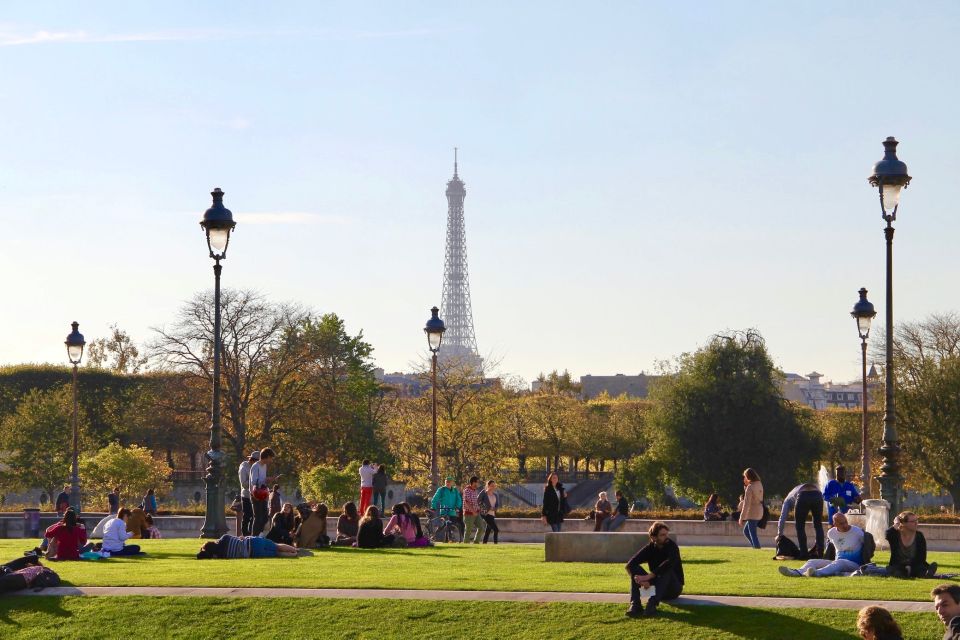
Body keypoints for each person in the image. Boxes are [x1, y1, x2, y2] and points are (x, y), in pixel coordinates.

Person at [625, 521, 684, 618]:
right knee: (634, 569)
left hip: (672, 589)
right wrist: (641, 581)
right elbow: (629, 565)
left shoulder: (672, 546)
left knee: (667, 569)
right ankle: (635, 605)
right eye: (662, 535)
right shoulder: (650, 548)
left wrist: (648, 577)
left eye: (666, 534)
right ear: (653, 537)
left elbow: (668, 563)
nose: (666, 537)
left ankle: (651, 605)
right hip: (655, 587)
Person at [778, 513, 866, 577]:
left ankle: (817, 573)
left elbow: (867, 546)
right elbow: (830, 547)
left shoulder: (857, 532)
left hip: (854, 564)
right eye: (841, 523)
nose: (845, 525)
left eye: (845, 522)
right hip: (837, 562)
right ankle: (797, 572)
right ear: (835, 524)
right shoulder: (831, 533)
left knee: (840, 562)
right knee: (812, 561)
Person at [778, 482, 825, 559]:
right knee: (818, 525)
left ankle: (804, 553)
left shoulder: (787, 500)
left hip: (803, 495)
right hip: (817, 494)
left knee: (800, 526)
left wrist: (779, 534)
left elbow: (782, 517)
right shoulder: (795, 490)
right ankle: (820, 552)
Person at [885, 511, 937, 578]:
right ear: (903, 523)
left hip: (915, 565)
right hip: (898, 565)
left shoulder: (919, 536)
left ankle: (925, 573)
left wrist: (910, 567)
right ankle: (906, 573)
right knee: (896, 571)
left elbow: (922, 557)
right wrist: (896, 523)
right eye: (912, 521)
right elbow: (887, 534)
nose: (916, 523)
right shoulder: (895, 534)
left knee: (920, 569)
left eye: (916, 520)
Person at [196, 534, 298, 559]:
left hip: (253, 553)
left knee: (277, 553)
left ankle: (294, 555)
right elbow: (240, 538)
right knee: (276, 546)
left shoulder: (221, 556)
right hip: (253, 542)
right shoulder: (225, 538)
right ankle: (295, 549)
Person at [250, 447, 277, 536]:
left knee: (265, 517)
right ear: (267, 456)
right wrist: (267, 479)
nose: (271, 460)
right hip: (256, 495)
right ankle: (254, 537)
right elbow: (254, 482)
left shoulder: (264, 466)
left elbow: (262, 480)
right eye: (271, 458)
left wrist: (269, 480)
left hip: (263, 493)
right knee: (258, 518)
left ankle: (260, 535)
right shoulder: (255, 466)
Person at [738, 468, 764, 549]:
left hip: (752, 512)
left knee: (752, 534)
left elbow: (746, 504)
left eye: (745, 476)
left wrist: (741, 517)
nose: (744, 478)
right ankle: (755, 547)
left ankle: (757, 548)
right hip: (759, 510)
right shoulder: (759, 484)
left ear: (748, 476)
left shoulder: (750, 487)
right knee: (747, 531)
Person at [238, 450, 258, 536]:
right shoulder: (244, 468)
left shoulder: (256, 467)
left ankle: (251, 533)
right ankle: (245, 534)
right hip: (246, 495)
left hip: (255, 495)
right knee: (247, 515)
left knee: (255, 516)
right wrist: (255, 482)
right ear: (253, 460)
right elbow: (244, 484)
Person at [461, 476, 487, 544]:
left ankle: (476, 542)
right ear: (473, 482)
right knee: (468, 530)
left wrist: (479, 509)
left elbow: (475, 502)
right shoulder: (467, 490)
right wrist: (473, 511)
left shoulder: (475, 490)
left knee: (481, 528)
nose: (477, 484)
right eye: (477, 482)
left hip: (476, 513)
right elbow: (466, 502)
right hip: (468, 514)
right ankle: (466, 544)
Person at [478, 479, 500, 544]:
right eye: (491, 485)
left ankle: (484, 543)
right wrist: (486, 507)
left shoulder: (495, 494)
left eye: (494, 486)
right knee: (496, 530)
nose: (493, 487)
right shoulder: (484, 493)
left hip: (492, 514)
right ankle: (495, 543)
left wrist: (495, 508)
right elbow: (478, 501)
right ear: (488, 485)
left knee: (488, 530)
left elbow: (497, 505)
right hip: (486, 514)